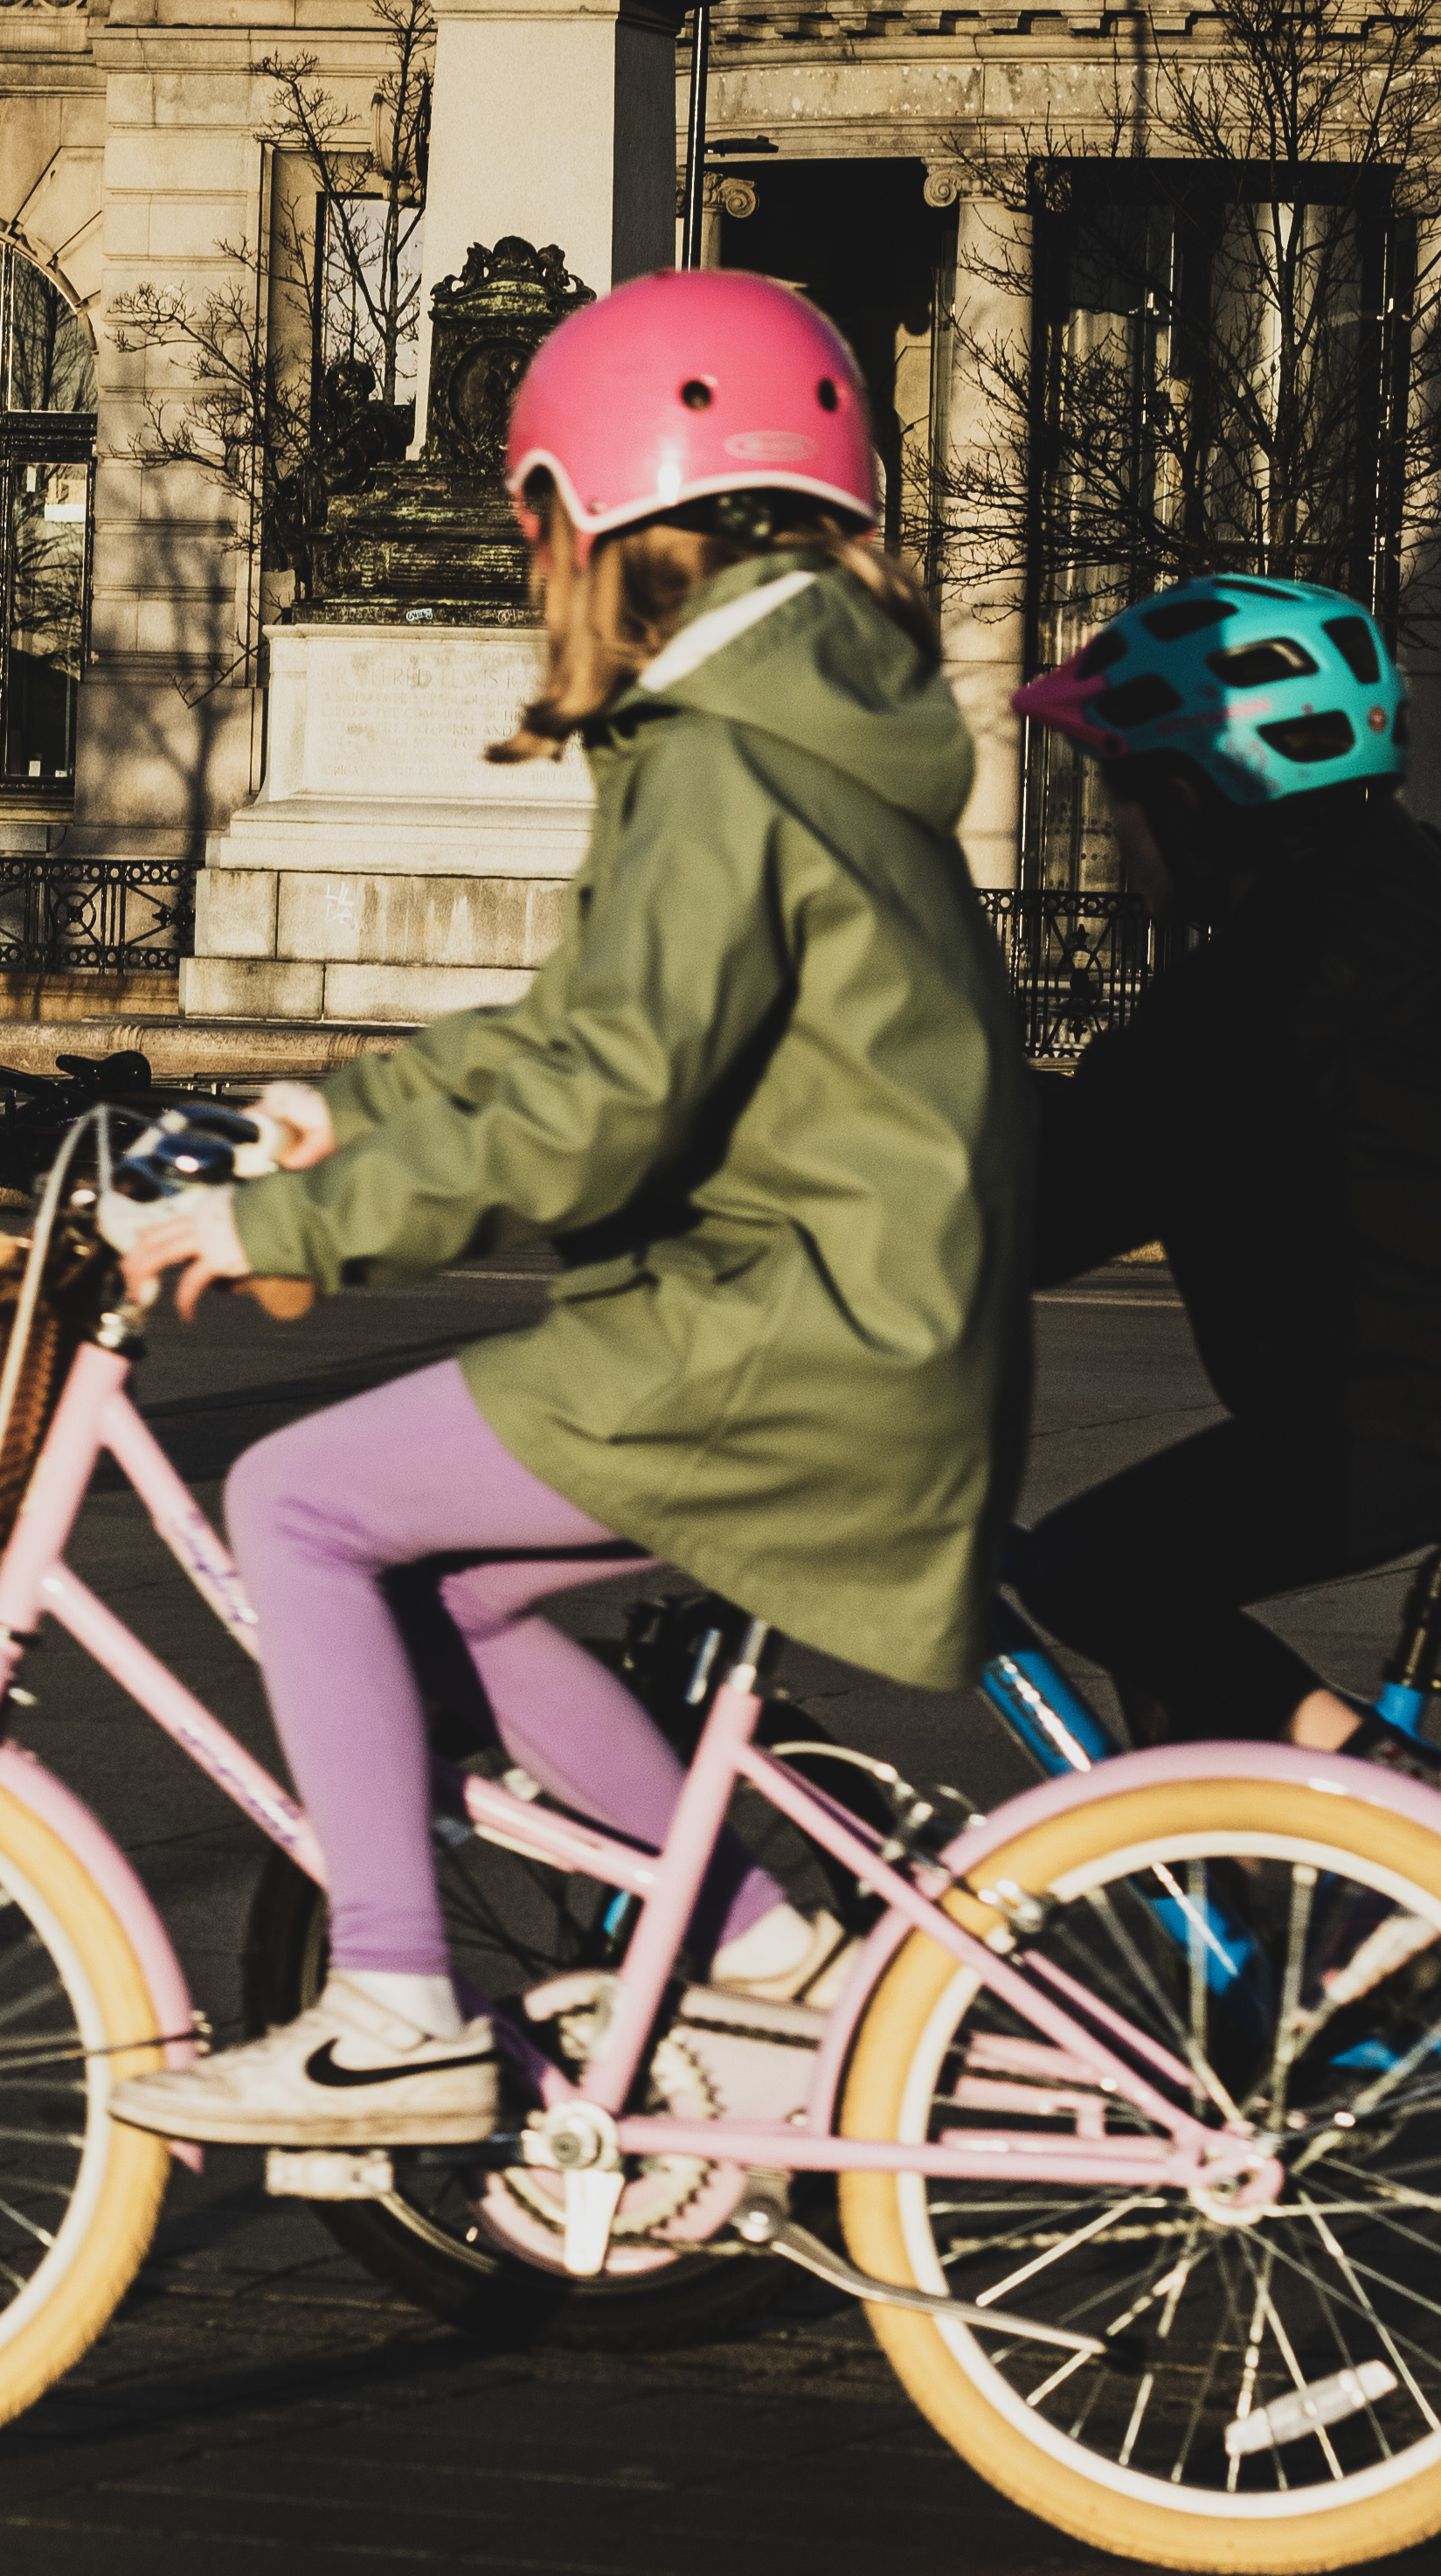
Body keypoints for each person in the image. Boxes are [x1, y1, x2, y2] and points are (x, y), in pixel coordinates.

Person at [100, 270, 1031, 2147]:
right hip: (852, 1326)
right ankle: (773, 1956)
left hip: (788, 1335)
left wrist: (283, 1231)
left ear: (597, 515)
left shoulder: (726, 759)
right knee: (465, 1595)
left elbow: (605, 1100)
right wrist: (343, 1118)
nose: (536, 564)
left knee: (296, 1498)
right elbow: (586, 1032)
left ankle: (393, 2008)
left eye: (534, 518)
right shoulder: (794, 729)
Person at [995, 574, 1441, 1757]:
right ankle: (1243, 1847)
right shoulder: (1407, 909)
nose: (1115, 836)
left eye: (1120, 795)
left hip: (1428, 1412)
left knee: (1095, 1573)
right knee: (1158, 1590)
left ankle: (1403, 1808)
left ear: (1194, 799)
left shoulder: (1274, 984)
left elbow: (1069, 1194)